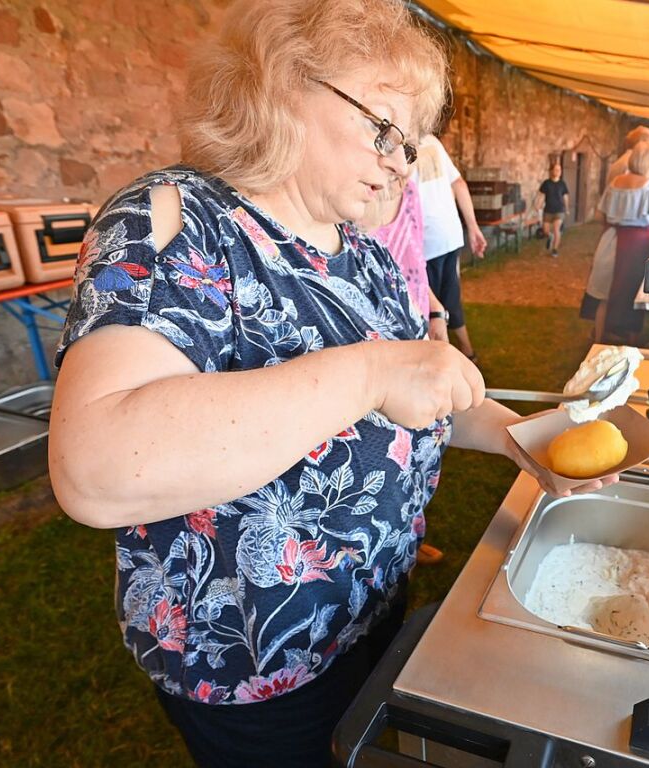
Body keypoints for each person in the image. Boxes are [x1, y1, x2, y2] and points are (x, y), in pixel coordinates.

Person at [48, 2, 616, 766]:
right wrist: (374, 369)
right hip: (254, 661)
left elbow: (424, 396)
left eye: (410, 144)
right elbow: (97, 467)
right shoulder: (175, 220)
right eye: (384, 128)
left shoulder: (368, 256)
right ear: (279, 87)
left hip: (372, 611)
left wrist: (526, 439)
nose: (400, 162)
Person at [356, 173, 446, 566]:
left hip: (408, 320)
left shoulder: (407, 191)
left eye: (407, 147)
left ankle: (407, 534)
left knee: (416, 440)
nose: (397, 162)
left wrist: (435, 311)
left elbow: (414, 260)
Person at [591, 141, 649, 345]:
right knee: (634, 292)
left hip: (612, 240)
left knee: (606, 292)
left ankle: (599, 338)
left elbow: (599, 216)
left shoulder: (616, 182)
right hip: (638, 245)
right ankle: (631, 340)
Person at [415, 134, 487, 363]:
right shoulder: (432, 141)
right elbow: (458, 183)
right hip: (450, 235)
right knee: (449, 297)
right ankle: (467, 353)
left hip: (425, 241)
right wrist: (473, 228)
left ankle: (441, 364)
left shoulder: (398, 143)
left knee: (429, 309)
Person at [537, 161, 569, 257]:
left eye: (559, 170)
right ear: (552, 171)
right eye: (556, 170)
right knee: (546, 230)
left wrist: (567, 208)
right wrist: (538, 205)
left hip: (559, 210)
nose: (558, 171)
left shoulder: (562, 184)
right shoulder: (546, 183)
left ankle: (555, 250)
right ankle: (550, 237)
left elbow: (565, 197)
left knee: (556, 229)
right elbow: (542, 196)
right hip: (548, 210)